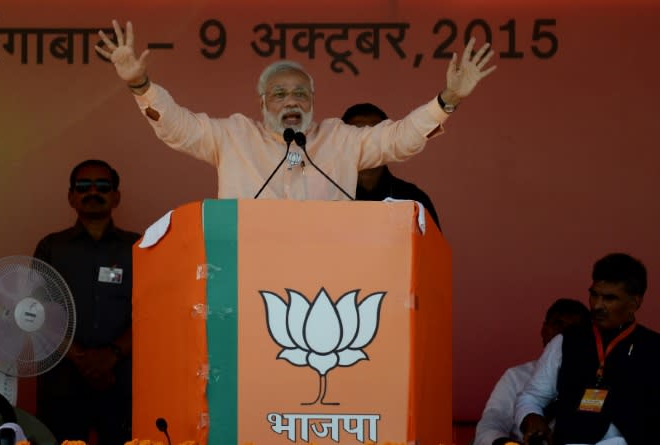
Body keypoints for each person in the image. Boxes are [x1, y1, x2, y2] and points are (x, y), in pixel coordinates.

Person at [95, 20, 496, 200]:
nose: (291, 101)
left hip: (325, 280)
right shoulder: (233, 137)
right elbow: (177, 128)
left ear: (313, 101)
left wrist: (449, 99)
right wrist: (139, 85)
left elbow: (400, 139)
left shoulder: (341, 139)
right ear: (263, 102)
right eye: (280, 93)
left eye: (301, 94)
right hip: (246, 277)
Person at [34, 159, 141, 444]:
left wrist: (112, 356)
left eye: (103, 186)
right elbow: (36, 313)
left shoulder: (140, 247)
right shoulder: (50, 247)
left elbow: (151, 312)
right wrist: (81, 359)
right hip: (63, 380)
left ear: (116, 196)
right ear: (71, 196)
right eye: (83, 186)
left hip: (122, 380)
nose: (93, 192)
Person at [515, 253, 660, 445]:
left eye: (610, 298)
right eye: (594, 295)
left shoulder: (655, 348)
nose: (597, 305)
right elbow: (532, 397)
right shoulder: (565, 342)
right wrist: (530, 416)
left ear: (634, 302)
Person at [474, 298, 590, 445]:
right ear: (544, 329)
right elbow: (492, 421)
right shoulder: (516, 376)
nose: (562, 336)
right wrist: (503, 442)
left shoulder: (595, 378)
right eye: (558, 324)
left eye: (573, 331)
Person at [341, 102, 441, 229]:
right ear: (342, 143)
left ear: (390, 142)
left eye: (374, 136)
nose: (367, 145)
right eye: (358, 136)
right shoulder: (326, 197)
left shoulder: (413, 199)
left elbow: (431, 248)